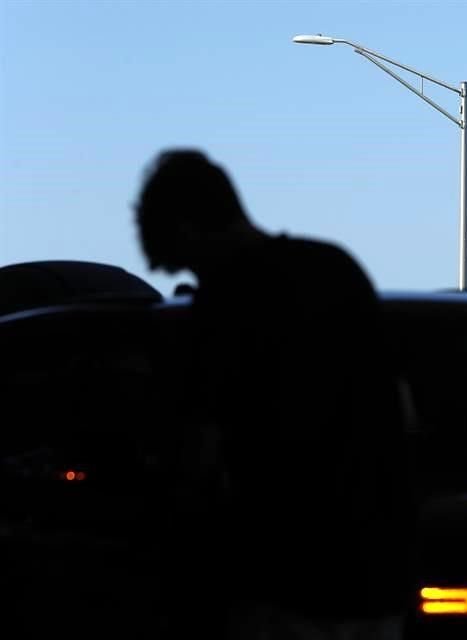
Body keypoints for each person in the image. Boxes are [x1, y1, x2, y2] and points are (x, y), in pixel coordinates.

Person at [134, 149, 411, 640]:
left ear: (189, 228)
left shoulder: (223, 309)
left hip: (279, 587)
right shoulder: (336, 269)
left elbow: (201, 455)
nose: (192, 276)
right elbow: (398, 410)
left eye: (186, 262)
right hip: (370, 578)